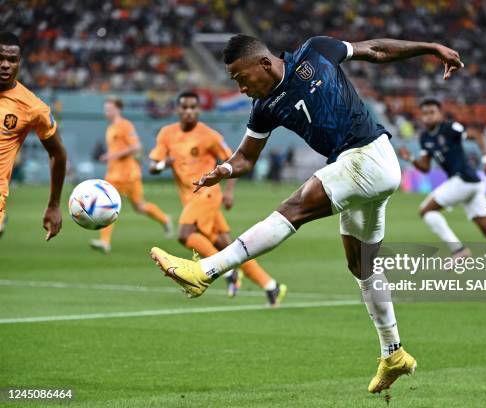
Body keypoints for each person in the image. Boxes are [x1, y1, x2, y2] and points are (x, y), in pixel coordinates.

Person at [150, 34, 463, 393]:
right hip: (358, 167)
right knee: (362, 265)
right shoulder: (265, 106)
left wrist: (432, 47)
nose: (240, 88)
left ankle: (205, 271)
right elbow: (245, 158)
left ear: (264, 64)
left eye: (240, 78)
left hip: (368, 155)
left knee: (293, 209)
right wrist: (224, 170)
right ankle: (393, 352)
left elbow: (374, 50)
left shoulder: (316, 51)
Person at [149, 91, 287, 306]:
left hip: (208, 193)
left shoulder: (209, 135)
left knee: (185, 234)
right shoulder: (166, 134)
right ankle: (271, 286)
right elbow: (152, 166)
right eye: (184, 107)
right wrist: (162, 164)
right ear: (178, 110)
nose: (188, 111)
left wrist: (229, 191)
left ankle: (223, 272)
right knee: (229, 246)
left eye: (193, 107)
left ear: (198, 110)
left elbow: (231, 161)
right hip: (190, 200)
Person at [398, 98, 486, 283]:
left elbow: (478, 135)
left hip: (464, 179)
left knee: (425, 211)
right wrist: (410, 158)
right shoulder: (425, 137)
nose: (428, 116)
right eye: (424, 113)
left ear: (440, 114)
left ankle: (458, 250)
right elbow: (425, 167)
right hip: (469, 185)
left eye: (432, 112)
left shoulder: (450, 128)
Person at [0, 31, 66, 240]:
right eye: (0, 59)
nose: (5, 65)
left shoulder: (32, 107)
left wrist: (54, 204)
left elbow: (58, 153)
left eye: (12, 60)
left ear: (20, 63)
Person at [89, 97, 172, 253]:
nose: (107, 112)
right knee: (106, 206)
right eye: (105, 109)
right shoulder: (110, 128)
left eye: (109, 109)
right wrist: (109, 155)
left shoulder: (125, 125)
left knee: (140, 207)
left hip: (129, 174)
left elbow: (136, 146)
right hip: (113, 175)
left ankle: (164, 219)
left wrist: (113, 155)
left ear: (118, 109)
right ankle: (104, 242)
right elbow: (116, 150)